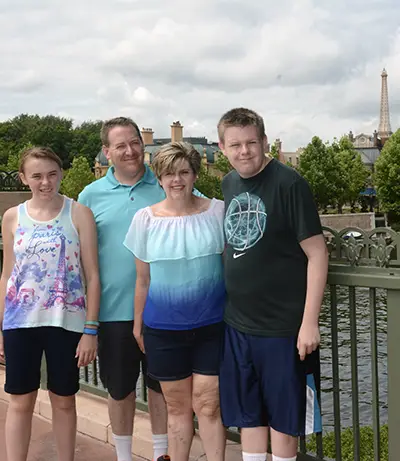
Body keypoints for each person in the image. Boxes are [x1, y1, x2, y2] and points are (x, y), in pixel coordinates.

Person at [217, 108, 329, 461]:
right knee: (249, 416)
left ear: (265, 141)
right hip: (238, 324)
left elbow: (317, 254)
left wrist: (309, 322)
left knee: (284, 421)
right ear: (222, 147)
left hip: (283, 329)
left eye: (252, 142)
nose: (244, 151)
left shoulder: (289, 184)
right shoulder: (228, 182)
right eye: (235, 144)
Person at [124, 141, 226, 461]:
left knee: (208, 405)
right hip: (163, 330)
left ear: (195, 174)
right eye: (169, 173)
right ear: (159, 178)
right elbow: (143, 279)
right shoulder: (145, 219)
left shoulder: (218, 212)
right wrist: (138, 324)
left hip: (213, 326)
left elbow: (230, 270)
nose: (176, 180)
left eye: (184, 172)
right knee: (178, 407)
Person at [78, 117, 172, 461]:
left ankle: (164, 454)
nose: (130, 151)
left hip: (162, 307)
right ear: (107, 152)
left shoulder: (165, 183)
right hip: (113, 311)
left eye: (135, 142)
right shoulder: (90, 195)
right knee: (119, 390)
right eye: (120, 145)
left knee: (163, 388)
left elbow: (202, 211)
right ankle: (124, 456)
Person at [0, 146, 100, 461]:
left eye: (52, 174)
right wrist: (1, 326)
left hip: (65, 322)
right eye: (37, 176)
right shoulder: (13, 216)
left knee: (64, 400)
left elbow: (93, 275)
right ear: (24, 178)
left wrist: (90, 330)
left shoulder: (79, 213)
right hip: (20, 323)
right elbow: (6, 276)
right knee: (20, 400)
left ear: (61, 174)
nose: (46, 182)